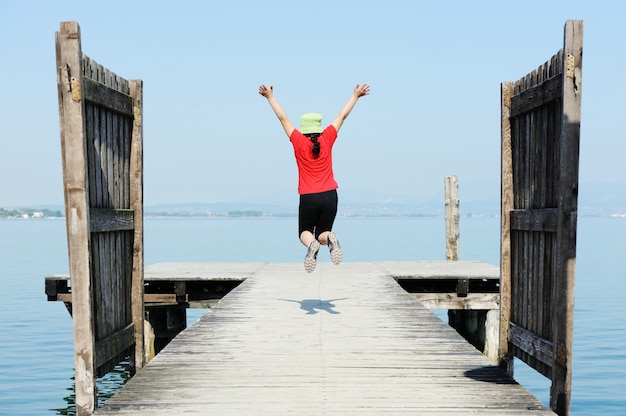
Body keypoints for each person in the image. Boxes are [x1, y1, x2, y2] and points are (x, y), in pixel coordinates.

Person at [258, 83, 370, 272]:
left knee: (305, 233)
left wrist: (270, 97)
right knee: (323, 234)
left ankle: (311, 247)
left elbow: (283, 118)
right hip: (330, 195)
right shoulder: (327, 138)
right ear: (319, 127)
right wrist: (355, 95)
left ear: (303, 129)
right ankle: (331, 239)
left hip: (309, 196)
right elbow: (342, 116)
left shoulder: (298, 141)